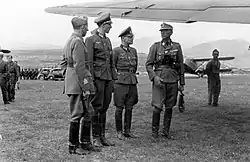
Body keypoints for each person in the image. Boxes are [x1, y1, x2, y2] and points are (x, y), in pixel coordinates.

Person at [63, 16, 99, 155]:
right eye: (86, 27)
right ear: (82, 27)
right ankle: (73, 146)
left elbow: (64, 64)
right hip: (78, 83)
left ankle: (84, 143)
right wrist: (86, 88)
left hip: (73, 81)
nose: (87, 29)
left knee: (87, 112)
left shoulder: (69, 41)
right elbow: (80, 67)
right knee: (77, 114)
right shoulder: (77, 42)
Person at [145, 23, 185, 139]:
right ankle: (154, 132)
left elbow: (181, 65)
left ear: (171, 32)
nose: (163, 33)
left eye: (165, 31)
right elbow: (148, 65)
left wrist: (181, 83)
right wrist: (154, 77)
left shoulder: (177, 46)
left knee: (169, 106)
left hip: (173, 79)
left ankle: (165, 131)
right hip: (160, 79)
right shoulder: (155, 46)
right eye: (161, 31)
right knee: (157, 107)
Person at [85, 12, 117, 147]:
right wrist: (91, 81)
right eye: (109, 25)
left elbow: (111, 63)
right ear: (104, 25)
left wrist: (113, 78)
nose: (110, 28)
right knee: (97, 107)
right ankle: (96, 137)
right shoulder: (91, 40)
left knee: (104, 106)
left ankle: (102, 136)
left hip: (107, 78)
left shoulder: (107, 40)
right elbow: (89, 62)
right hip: (97, 78)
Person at [113, 27, 138, 139]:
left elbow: (135, 66)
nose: (131, 38)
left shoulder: (134, 51)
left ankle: (127, 130)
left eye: (132, 36)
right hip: (120, 82)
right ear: (123, 38)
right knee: (119, 107)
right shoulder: (116, 51)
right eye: (129, 37)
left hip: (131, 81)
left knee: (130, 107)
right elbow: (113, 66)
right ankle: (119, 131)